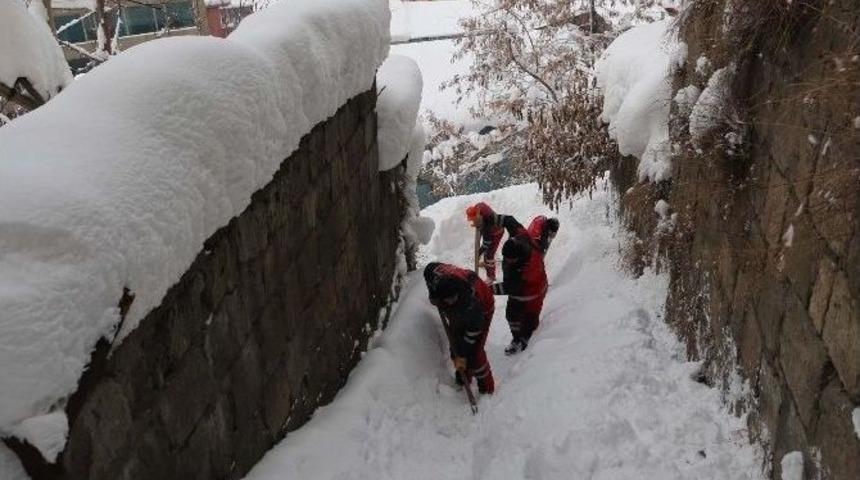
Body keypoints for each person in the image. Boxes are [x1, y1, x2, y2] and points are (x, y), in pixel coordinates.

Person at [487, 213, 560, 355]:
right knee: (511, 315)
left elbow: (509, 287)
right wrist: (488, 219)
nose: (507, 261)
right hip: (518, 291)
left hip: (534, 293)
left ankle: (527, 338)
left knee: (530, 320)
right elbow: (509, 220)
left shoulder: (528, 268)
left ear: (519, 257)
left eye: (511, 260)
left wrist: (487, 289)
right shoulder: (521, 236)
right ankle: (516, 338)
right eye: (506, 258)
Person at [424, 262, 495, 394]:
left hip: (483, 307)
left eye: (451, 299)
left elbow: (474, 329)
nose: (448, 302)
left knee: (475, 352)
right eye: (446, 300)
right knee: (455, 348)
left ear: (457, 294)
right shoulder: (437, 278)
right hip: (458, 312)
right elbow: (429, 269)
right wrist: (432, 294)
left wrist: (465, 346)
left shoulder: (469, 303)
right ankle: (464, 374)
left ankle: (487, 388)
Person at [466, 202, 505, 282]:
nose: (472, 221)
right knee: (486, 252)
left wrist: (479, 253)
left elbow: (486, 243)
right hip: (491, 227)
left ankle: (491, 277)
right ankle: (486, 264)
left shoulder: (487, 226)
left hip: (497, 232)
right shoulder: (479, 207)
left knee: (489, 254)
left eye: (473, 219)